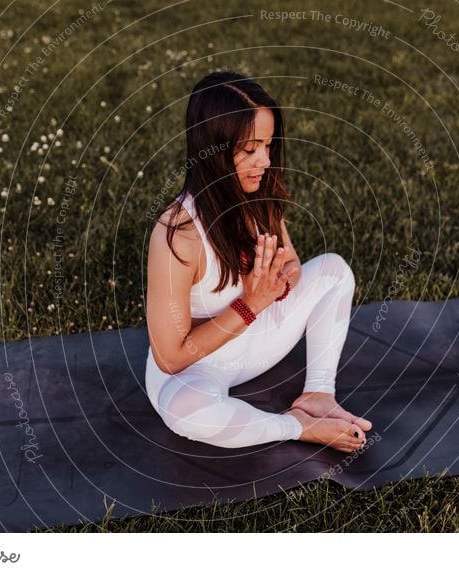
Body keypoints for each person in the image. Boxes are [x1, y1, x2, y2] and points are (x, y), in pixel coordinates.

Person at [144, 70, 372, 452]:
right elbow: (171, 358)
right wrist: (251, 303)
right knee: (187, 411)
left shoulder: (258, 196)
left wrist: (277, 282)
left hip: (258, 339)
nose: (264, 160)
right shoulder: (178, 235)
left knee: (333, 270)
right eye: (250, 150)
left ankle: (318, 393)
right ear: (214, 149)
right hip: (201, 367)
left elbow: (294, 265)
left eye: (267, 145)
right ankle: (296, 426)